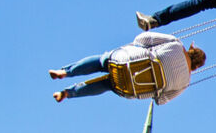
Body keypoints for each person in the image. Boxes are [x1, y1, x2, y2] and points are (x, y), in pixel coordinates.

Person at [48, 31, 204, 104]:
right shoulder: (184, 84)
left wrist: (139, 47)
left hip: (126, 62)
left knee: (103, 60)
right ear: (195, 67)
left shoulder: (176, 44)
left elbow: (143, 38)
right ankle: (68, 94)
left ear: (191, 50)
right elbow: (161, 100)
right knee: (107, 85)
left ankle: (65, 72)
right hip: (131, 88)